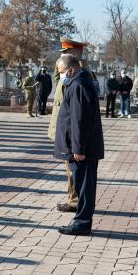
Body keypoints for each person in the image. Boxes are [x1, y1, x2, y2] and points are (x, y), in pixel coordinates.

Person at [53, 54, 104, 236]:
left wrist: (78, 148)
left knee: (84, 187)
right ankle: (81, 221)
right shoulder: (78, 82)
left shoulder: (78, 85)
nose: (60, 77)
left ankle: (82, 223)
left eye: (61, 73)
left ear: (71, 69)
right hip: (83, 147)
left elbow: (79, 120)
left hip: (83, 150)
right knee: (83, 186)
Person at [48, 38, 89, 213]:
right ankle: (73, 198)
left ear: (74, 54)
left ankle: (75, 201)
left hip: (69, 131)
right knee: (69, 169)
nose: (61, 56)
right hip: (62, 128)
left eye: (65, 54)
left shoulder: (79, 76)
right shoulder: (66, 73)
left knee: (72, 169)